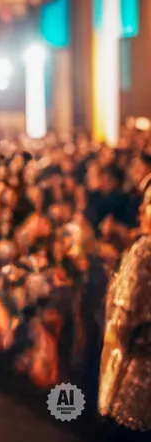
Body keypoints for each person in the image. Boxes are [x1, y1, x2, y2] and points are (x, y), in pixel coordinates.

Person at [100, 184, 151, 433]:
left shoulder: (145, 251)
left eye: (149, 203)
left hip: (137, 379)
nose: (141, 209)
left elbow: (122, 322)